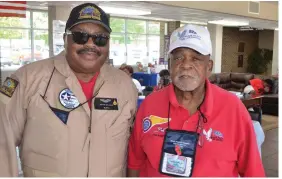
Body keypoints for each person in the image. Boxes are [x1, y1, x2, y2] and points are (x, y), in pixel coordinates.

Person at [0, 3, 137, 177]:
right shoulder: (28, 79)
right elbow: (2, 141)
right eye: (80, 36)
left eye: (100, 38)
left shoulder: (125, 86)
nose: (90, 44)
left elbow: (135, 148)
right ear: (66, 39)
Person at [127, 24, 265, 177]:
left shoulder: (233, 109)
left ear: (209, 67)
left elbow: (253, 171)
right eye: (178, 57)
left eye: (196, 58)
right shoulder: (149, 105)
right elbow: (135, 162)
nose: (186, 65)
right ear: (170, 64)